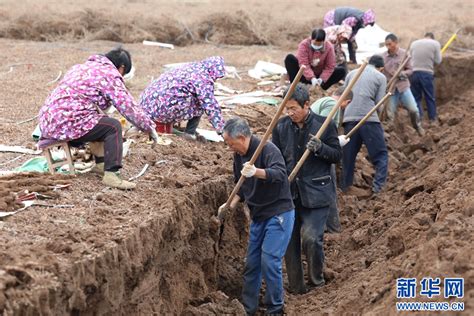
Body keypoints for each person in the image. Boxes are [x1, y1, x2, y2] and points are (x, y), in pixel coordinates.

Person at [39, 47, 158, 190]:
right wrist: (148, 127)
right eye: (123, 73)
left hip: (49, 121)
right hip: (67, 122)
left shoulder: (80, 68)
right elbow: (128, 106)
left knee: (100, 122)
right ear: (121, 67)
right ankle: (112, 175)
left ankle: (101, 164)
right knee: (113, 126)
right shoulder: (109, 74)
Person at [218, 117, 295, 315]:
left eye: (231, 144)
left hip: (278, 214)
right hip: (258, 216)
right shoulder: (238, 155)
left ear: (242, 138)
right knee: (252, 264)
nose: (230, 148)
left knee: (270, 262)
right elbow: (241, 186)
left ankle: (275, 309)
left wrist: (257, 172)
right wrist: (230, 205)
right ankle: (247, 309)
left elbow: (280, 174)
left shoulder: (267, 150)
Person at [272, 84, 342, 294]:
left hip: (316, 193)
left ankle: (316, 280)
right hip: (289, 194)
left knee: (311, 238)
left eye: (293, 108)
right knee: (289, 243)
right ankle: (296, 287)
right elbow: (276, 158)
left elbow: (337, 155)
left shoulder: (324, 125)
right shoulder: (281, 127)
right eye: (287, 109)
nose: (290, 113)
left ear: (306, 105)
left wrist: (320, 148)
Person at [139, 56, 226, 139]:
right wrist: (222, 130)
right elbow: (210, 105)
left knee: (193, 97)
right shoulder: (203, 79)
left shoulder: (192, 67)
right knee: (200, 102)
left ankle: (184, 130)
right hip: (162, 108)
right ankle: (189, 133)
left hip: (148, 104)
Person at [341, 55, 388, 194]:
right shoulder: (380, 77)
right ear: (381, 68)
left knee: (348, 156)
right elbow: (379, 103)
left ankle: (345, 187)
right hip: (369, 119)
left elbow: (344, 96)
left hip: (349, 118)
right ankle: (378, 188)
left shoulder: (351, 74)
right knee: (381, 155)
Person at [310, 86, 353, 233]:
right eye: (347, 105)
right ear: (346, 101)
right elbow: (322, 128)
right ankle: (333, 229)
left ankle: (323, 227)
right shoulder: (331, 104)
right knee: (329, 188)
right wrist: (335, 142)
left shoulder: (322, 101)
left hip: (315, 149)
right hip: (319, 152)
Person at [382, 33, 425, 136]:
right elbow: (380, 71)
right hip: (391, 89)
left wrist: (403, 74)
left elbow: (411, 70)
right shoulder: (383, 57)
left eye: (390, 44)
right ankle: (390, 135)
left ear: (396, 43)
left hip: (403, 86)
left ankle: (417, 126)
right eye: (386, 44)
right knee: (390, 114)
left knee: (413, 110)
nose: (388, 47)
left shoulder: (404, 54)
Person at [410, 32, 442, 125]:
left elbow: (409, 57)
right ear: (432, 37)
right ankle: (432, 119)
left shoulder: (414, 43)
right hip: (426, 74)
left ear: (424, 37)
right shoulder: (435, 43)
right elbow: (438, 61)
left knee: (416, 97)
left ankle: (419, 119)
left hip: (414, 73)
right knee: (429, 97)